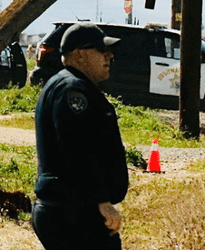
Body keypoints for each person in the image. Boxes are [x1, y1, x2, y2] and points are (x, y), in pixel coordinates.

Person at [32, 23, 128, 250]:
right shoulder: (72, 90)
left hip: (72, 209)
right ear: (80, 55)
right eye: (101, 51)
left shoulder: (68, 84)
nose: (109, 56)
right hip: (73, 213)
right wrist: (101, 200)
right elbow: (76, 149)